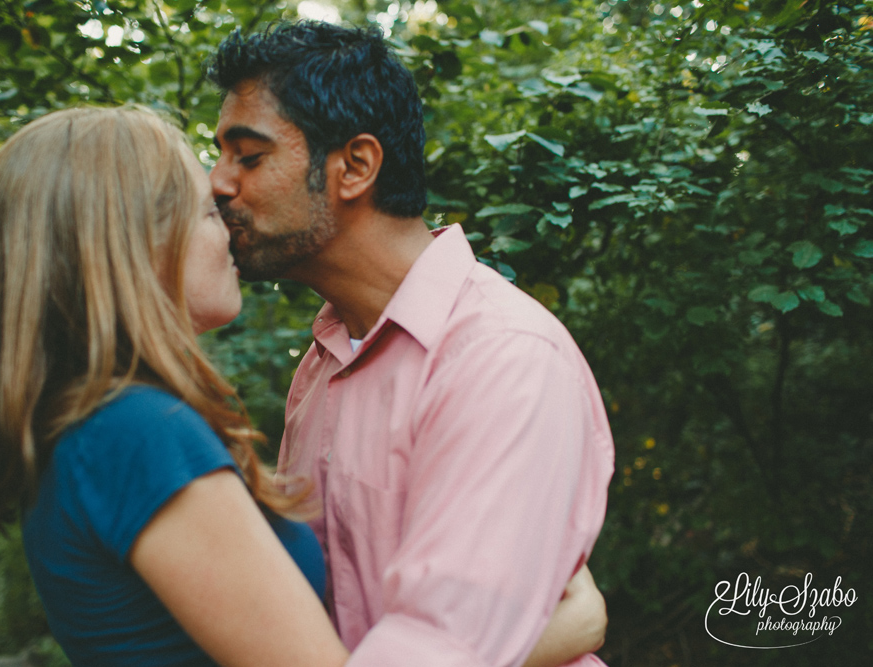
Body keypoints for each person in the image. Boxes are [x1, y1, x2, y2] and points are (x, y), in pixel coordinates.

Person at [0, 106, 602, 666]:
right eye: (206, 211)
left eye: (245, 164)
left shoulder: (87, 427)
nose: (227, 223)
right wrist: (554, 634)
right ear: (133, 242)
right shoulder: (137, 433)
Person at [207, 20, 616, 667]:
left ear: (356, 166)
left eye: (248, 156)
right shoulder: (322, 365)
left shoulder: (503, 359)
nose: (218, 182)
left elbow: (439, 645)